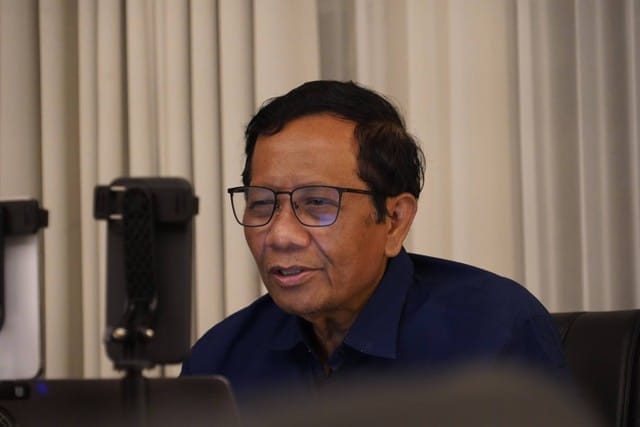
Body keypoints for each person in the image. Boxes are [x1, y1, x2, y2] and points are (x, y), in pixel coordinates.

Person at [181, 80, 567, 405]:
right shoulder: (220, 361)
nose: (280, 235)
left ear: (395, 220)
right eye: (262, 203)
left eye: (317, 203)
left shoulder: (493, 336)